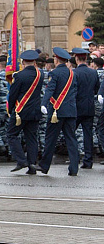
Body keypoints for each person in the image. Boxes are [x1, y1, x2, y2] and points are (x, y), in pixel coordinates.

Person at [38, 47, 79, 176]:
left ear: (56, 60)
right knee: (71, 139)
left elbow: (50, 90)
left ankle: (44, 166)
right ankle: (74, 168)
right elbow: (75, 91)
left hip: (56, 111)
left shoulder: (54, 73)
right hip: (70, 110)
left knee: (50, 139)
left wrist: (43, 104)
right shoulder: (72, 73)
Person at [7, 50, 43, 174]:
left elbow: (13, 94)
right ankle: (32, 164)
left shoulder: (19, 75)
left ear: (23, 62)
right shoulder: (40, 75)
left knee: (11, 135)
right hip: (35, 111)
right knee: (32, 138)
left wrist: (10, 109)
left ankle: (22, 160)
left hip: (20, 111)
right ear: (34, 61)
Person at [72, 48, 99, 169]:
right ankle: (88, 160)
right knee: (88, 134)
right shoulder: (93, 72)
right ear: (86, 59)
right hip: (89, 106)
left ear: (76, 59)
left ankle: (75, 158)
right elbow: (96, 89)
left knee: (71, 133)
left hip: (76, 107)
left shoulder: (74, 73)